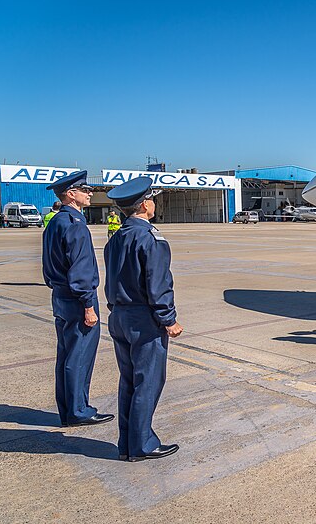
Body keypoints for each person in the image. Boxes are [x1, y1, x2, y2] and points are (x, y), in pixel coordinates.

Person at [104, 177, 183, 462]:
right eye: (152, 199)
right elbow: (158, 284)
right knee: (147, 381)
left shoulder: (116, 239)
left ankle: (126, 443)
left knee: (128, 381)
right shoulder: (151, 239)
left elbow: (111, 281)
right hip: (144, 320)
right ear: (145, 204)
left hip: (119, 315)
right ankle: (142, 445)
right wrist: (168, 319)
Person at [42, 170, 113, 428]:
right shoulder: (75, 224)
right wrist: (87, 305)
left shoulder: (55, 222)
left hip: (60, 296)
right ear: (71, 195)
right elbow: (80, 269)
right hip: (77, 299)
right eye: (85, 190)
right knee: (79, 356)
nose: (90, 193)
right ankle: (79, 410)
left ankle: (68, 409)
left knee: (66, 354)